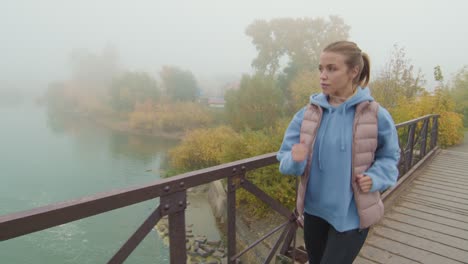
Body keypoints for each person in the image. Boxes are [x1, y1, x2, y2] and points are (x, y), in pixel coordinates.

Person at [277, 40, 400, 264]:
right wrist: (295, 160)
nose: (323, 75)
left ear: (353, 71)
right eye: (321, 69)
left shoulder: (375, 114)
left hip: (352, 215)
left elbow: (390, 156)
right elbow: (284, 158)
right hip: (314, 212)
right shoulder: (307, 114)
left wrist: (376, 178)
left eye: (332, 69)